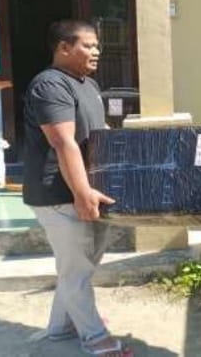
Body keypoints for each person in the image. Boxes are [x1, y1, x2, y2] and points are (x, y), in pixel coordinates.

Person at [23, 19, 132, 357]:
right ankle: (95, 337)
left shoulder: (88, 84)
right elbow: (63, 142)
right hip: (59, 194)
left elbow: (97, 133)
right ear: (64, 48)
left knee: (80, 267)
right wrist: (82, 193)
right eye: (88, 45)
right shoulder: (50, 85)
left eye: (97, 45)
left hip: (88, 190)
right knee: (77, 271)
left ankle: (62, 326)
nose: (97, 51)